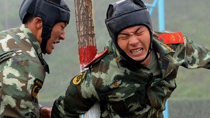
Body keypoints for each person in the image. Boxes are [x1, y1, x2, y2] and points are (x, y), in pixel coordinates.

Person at [51, 0, 210, 118]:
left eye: (139, 32)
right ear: (116, 41)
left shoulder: (173, 46)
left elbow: (206, 57)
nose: (133, 41)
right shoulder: (100, 74)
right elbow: (64, 111)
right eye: (124, 36)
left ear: (150, 30)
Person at [0, 0, 70, 117]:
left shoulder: (7, 37)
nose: (63, 36)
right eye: (61, 27)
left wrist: (37, 109)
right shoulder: (26, 62)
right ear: (38, 23)